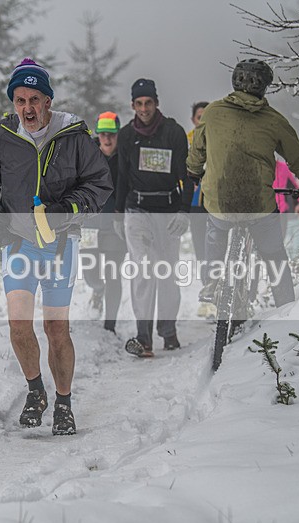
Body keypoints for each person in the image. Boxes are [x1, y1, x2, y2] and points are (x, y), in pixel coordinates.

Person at [0, 58, 112, 436]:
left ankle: (63, 404)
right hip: (18, 243)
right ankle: (36, 391)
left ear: (48, 101)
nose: (28, 108)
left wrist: (67, 208)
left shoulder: (73, 137)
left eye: (35, 98)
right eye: (20, 100)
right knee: (19, 327)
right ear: (13, 102)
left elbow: (100, 183)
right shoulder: (2, 134)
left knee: (56, 329)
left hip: (59, 245)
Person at [187, 59, 299, 312]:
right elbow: (298, 158)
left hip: (220, 201)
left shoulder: (213, 112)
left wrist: (194, 173)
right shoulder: (273, 120)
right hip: (259, 205)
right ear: (264, 87)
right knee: (274, 256)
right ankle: (286, 309)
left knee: (215, 231)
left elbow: (197, 151)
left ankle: (211, 282)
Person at [115, 78, 190, 358]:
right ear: (133, 105)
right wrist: (118, 213)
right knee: (143, 271)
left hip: (168, 209)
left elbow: (187, 177)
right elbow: (122, 175)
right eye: (139, 103)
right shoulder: (126, 135)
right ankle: (143, 336)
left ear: (156, 103)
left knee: (167, 273)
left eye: (148, 103)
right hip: (137, 210)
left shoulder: (173, 132)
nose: (144, 109)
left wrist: (185, 210)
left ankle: (168, 331)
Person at [81, 111, 127, 333]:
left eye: (112, 134)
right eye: (103, 134)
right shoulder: (87, 156)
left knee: (113, 275)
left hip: (115, 226)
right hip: (89, 226)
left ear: (118, 134)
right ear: (97, 135)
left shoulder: (126, 157)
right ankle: (96, 290)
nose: (107, 139)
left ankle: (110, 325)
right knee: (91, 274)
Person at [186, 101, 214, 318]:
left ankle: (217, 293)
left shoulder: (218, 139)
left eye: (206, 116)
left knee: (216, 250)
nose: (202, 120)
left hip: (216, 203)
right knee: (201, 250)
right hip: (195, 203)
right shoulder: (187, 139)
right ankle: (207, 293)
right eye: (199, 117)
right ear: (193, 119)